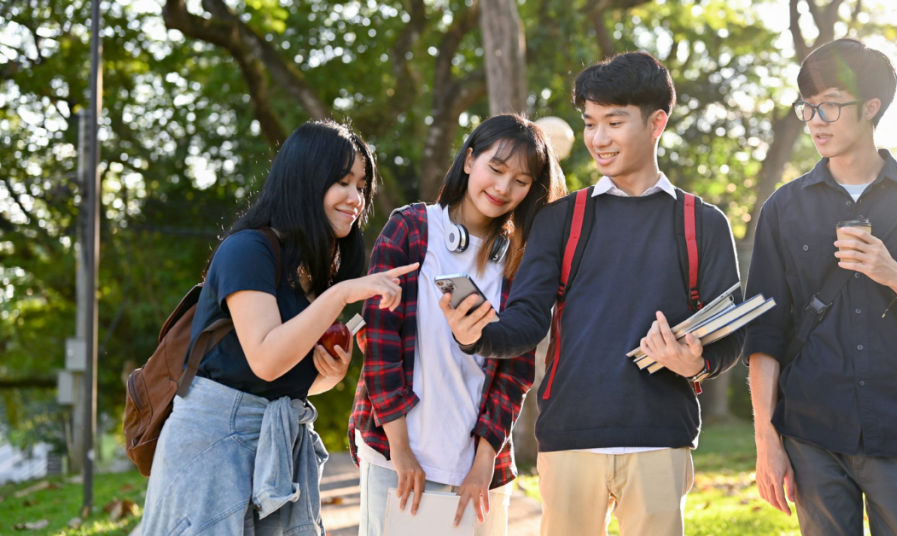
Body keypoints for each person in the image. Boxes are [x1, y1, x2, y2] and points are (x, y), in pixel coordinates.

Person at [443, 52, 745, 536]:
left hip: (660, 437)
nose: (598, 139)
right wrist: (475, 335)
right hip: (570, 437)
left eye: (614, 121)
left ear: (656, 123)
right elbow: (526, 322)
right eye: (590, 122)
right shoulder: (560, 220)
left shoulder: (703, 223)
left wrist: (695, 364)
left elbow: (730, 338)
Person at [744, 38, 897, 536]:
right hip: (811, 435)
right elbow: (765, 335)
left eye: (829, 104)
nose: (815, 120)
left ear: (871, 107)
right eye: (807, 107)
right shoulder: (783, 209)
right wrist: (767, 441)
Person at [139, 119, 418, 535]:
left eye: (361, 186)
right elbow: (266, 360)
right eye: (342, 182)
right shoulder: (248, 249)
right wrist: (339, 297)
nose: (355, 198)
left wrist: (331, 375)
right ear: (305, 180)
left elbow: (285, 383)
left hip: (278, 441)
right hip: (213, 443)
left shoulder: (321, 269)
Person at [348, 114, 566, 536]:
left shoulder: (524, 259)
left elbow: (517, 370)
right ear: (469, 160)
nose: (503, 188)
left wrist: (483, 464)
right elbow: (380, 343)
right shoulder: (411, 228)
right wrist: (401, 452)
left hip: (479, 468)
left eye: (520, 181)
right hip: (396, 451)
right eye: (496, 169)